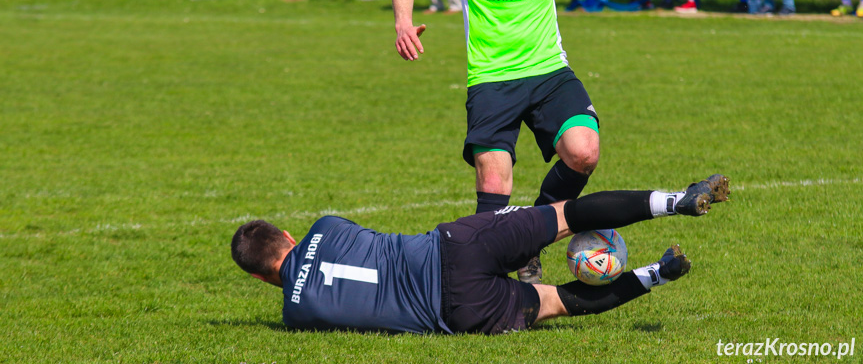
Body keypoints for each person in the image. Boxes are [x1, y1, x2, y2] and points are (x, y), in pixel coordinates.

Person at [391, 0, 728, 284]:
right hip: (492, 78)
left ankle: (529, 238)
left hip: (550, 69)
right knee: (494, 186)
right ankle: (481, 283)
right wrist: (402, 21)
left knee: (584, 151)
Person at [231, 174, 730, 335]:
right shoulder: (324, 227)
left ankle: (659, 274)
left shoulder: (296, 316)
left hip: (457, 310)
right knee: (567, 216)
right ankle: (676, 202)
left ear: (259, 278)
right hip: (455, 247)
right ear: (289, 236)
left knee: (557, 301)